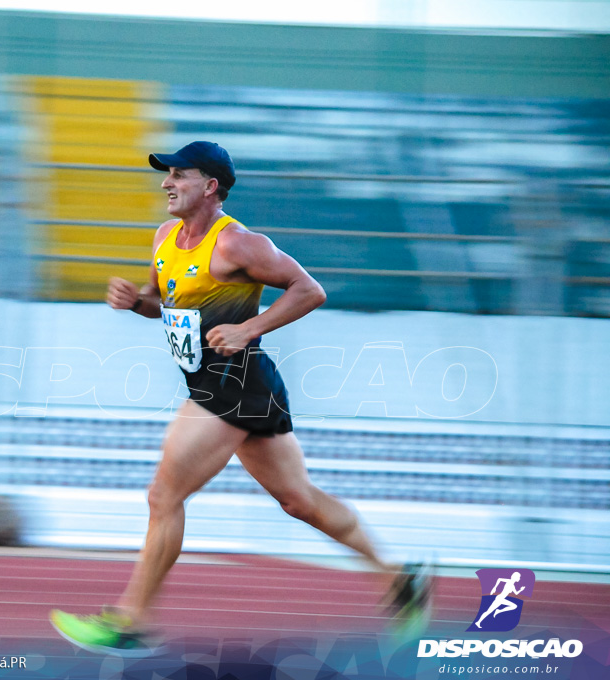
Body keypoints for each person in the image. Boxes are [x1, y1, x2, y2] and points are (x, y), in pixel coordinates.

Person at [50, 141, 432, 655]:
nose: (166, 183)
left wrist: (247, 327)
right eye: (167, 175)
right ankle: (398, 576)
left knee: (164, 497)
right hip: (245, 385)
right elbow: (164, 304)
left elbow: (308, 289)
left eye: (179, 175)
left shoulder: (239, 245)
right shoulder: (165, 237)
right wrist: (133, 302)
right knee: (299, 500)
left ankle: (130, 621)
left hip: (229, 384)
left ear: (210, 187)